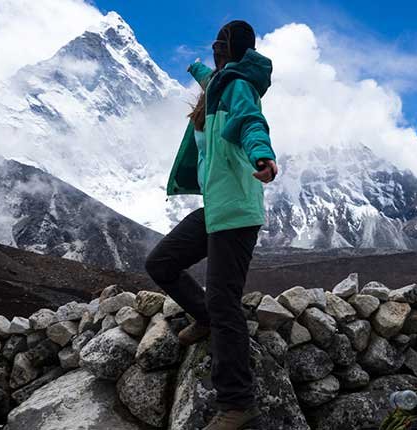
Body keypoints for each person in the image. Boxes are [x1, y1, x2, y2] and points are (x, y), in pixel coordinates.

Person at [144, 20, 277, 430]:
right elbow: (211, 74)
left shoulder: (237, 88)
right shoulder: (218, 83)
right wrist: (195, 67)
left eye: (221, 43)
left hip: (236, 211)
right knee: (161, 263)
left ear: (233, 49)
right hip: (215, 206)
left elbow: (251, 122)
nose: (215, 48)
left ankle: (237, 404)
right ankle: (203, 319)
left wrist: (262, 156)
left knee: (225, 301)